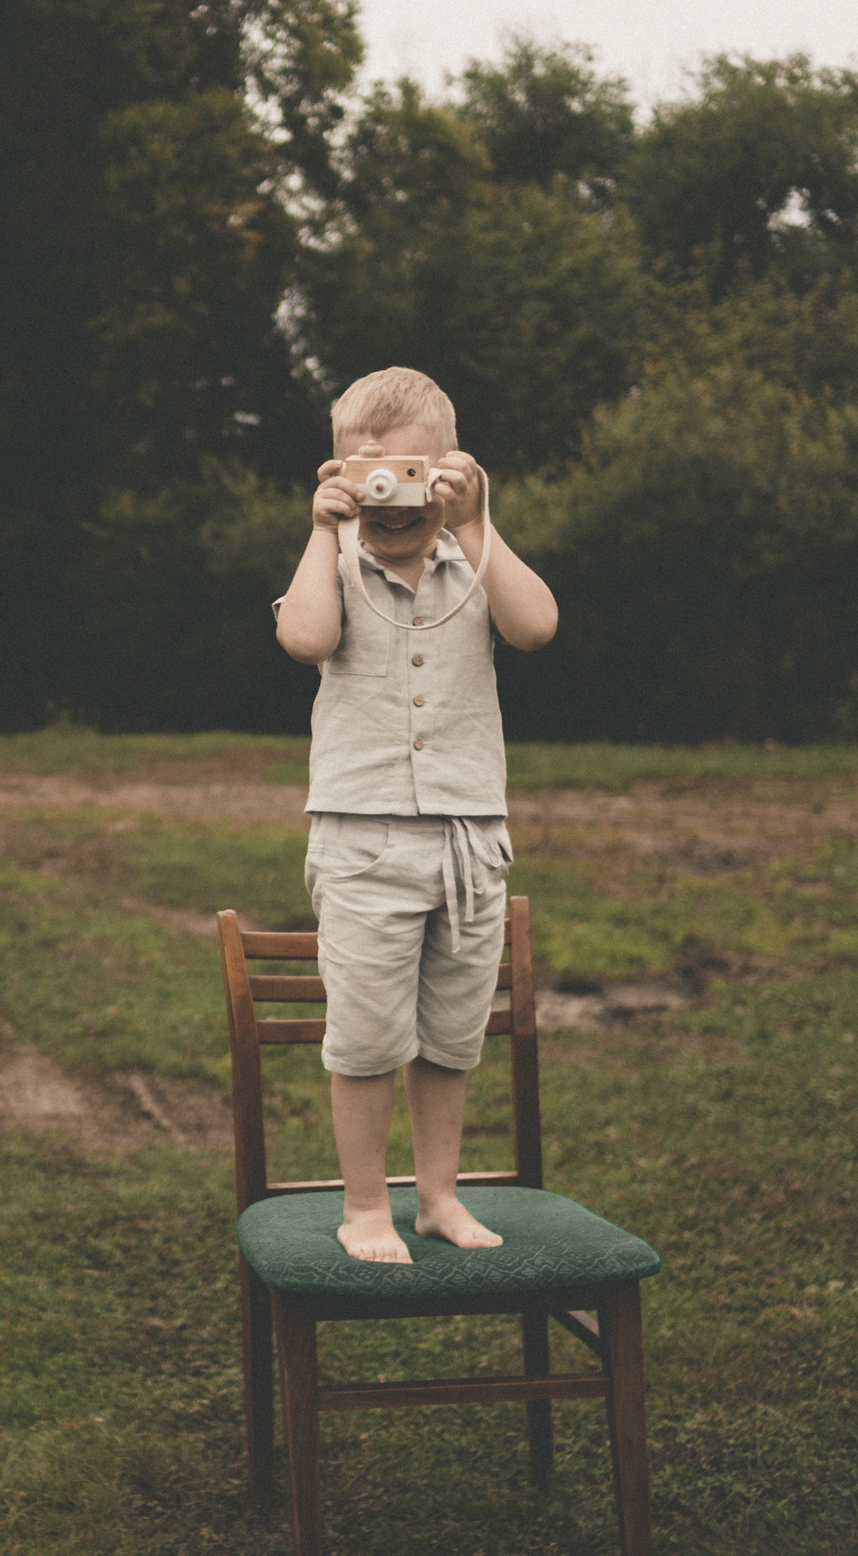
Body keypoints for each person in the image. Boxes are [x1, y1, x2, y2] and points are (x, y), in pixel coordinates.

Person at [272, 366, 559, 1264]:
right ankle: (365, 1205)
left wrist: (477, 522)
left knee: (451, 1033)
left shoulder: (475, 562)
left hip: (471, 838)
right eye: (374, 482)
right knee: (362, 1034)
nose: (394, 501)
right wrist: (322, 533)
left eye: (414, 479)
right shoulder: (335, 565)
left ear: (450, 474)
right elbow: (306, 638)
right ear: (344, 480)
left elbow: (538, 626)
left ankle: (438, 1196)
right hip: (363, 838)